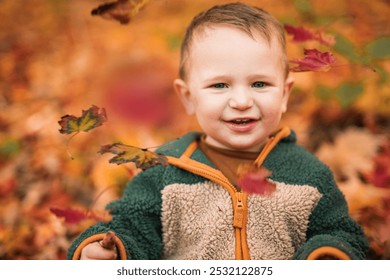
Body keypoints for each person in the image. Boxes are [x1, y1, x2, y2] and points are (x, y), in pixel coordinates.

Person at [67, 2, 368, 260]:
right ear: (187, 97)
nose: (241, 101)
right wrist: (107, 249)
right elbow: (131, 228)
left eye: (260, 84)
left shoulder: (308, 175)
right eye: (219, 85)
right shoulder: (162, 172)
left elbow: (341, 233)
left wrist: (328, 254)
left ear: (285, 94)